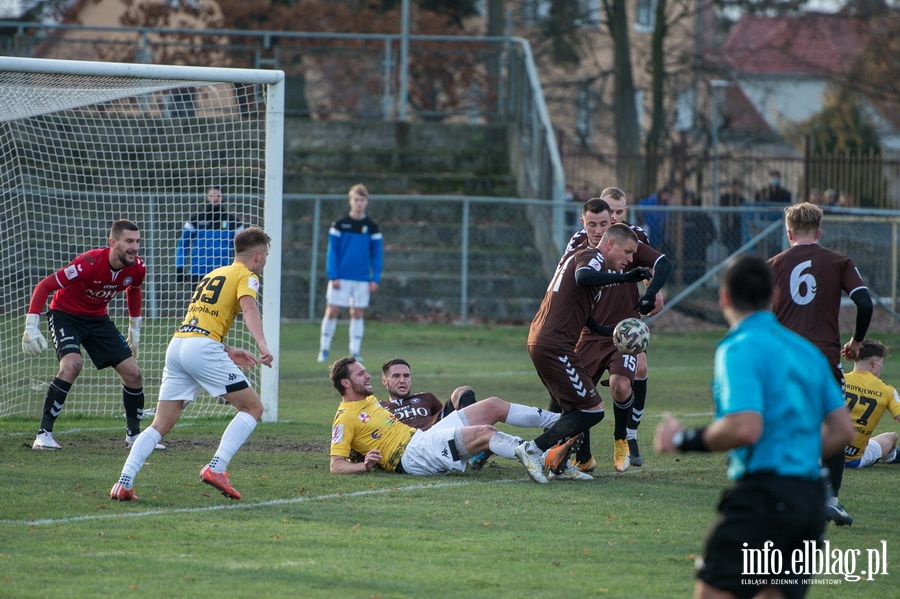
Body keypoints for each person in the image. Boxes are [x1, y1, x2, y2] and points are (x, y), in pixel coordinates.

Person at [655, 253, 853, 599]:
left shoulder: (739, 347)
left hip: (763, 497)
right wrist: (796, 450)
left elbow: (745, 427)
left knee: (712, 593)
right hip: (809, 502)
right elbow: (841, 430)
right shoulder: (807, 351)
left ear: (724, 298)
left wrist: (683, 438)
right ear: (775, 296)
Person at [110, 227, 274, 501]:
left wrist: (227, 349)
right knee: (253, 407)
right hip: (201, 348)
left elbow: (202, 320)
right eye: (266, 256)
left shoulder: (214, 273)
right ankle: (216, 468)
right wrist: (263, 345)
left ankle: (124, 481)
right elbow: (249, 308)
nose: (265, 261)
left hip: (179, 345)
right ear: (257, 255)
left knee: (160, 424)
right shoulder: (247, 276)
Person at [767, 202, 873, 526]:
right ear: (820, 232)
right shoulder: (838, 261)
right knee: (833, 429)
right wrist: (856, 342)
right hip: (823, 359)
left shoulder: (772, 265)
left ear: (788, 233)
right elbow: (864, 301)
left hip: (784, 361)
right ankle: (830, 500)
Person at [520, 223, 651, 481]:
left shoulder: (582, 258)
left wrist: (608, 332)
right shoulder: (593, 257)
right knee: (592, 410)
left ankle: (562, 461)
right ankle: (532, 449)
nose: (629, 259)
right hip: (554, 344)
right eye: (627, 252)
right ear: (610, 244)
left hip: (545, 340)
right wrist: (624, 278)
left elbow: (582, 309)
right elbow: (583, 277)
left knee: (571, 408)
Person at [555, 191, 672, 473]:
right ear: (584, 221)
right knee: (575, 394)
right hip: (590, 329)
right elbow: (567, 279)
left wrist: (652, 292)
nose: (599, 229)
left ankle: (623, 438)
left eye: (611, 218)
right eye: (592, 224)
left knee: (621, 384)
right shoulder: (577, 243)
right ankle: (581, 453)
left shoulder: (631, 236)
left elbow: (659, 265)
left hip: (624, 331)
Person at [23, 219, 157, 451]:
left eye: (137, 241)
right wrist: (31, 325)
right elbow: (44, 286)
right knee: (72, 365)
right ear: (112, 243)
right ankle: (44, 434)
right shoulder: (88, 263)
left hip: (97, 319)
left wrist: (134, 327)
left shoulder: (137, 267)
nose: (134, 247)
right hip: (65, 315)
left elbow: (134, 290)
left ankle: (134, 437)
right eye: (128, 241)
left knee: (133, 374)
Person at [328, 356, 562, 482]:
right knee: (485, 433)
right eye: (361, 373)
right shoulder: (344, 417)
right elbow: (336, 465)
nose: (368, 375)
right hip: (410, 457)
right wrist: (364, 465)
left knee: (493, 404)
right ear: (346, 383)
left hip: (421, 438)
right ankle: (542, 456)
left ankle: (559, 420)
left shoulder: (368, 400)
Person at [317, 183, 383, 364]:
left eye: (362, 200)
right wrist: (334, 275)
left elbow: (377, 254)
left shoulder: (372, 227)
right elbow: (333, 251)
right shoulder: (340, 224)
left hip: (362, 278)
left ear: (366, 202)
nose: (359, 203)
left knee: (358, 313)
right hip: (341, 277)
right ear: (350, 201)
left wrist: (375, 277)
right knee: (332, 311)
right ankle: (324, 349)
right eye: (356, 200)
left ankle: (355, 351)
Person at [842, 339, 900, 468]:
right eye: (881, 363)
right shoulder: (887, 390)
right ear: (874, 363)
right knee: (892, 437)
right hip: (852, 459)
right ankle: (891, 458)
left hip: (822, 454)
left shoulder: (838, 379)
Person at [175, 185, 245, 286]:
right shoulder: (195, 220)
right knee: (198, 302)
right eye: (212, 195)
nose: (215, 198)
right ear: (207, 198)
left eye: (218, 195)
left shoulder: (234, 222)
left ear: (223, 198)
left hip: (223, 272)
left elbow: (241, 249)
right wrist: (180, 268)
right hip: (198, 272)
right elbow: (182, 244)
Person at [637, 187, 672, 253]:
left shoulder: (665, 204)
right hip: (650, 226)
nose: (667, 197)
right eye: (666, 195)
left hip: (659, 228)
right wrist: (643, 222)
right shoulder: (652, 200)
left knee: (658, 245)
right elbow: (640, 208)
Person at [719, 179, 748, 254]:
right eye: (736, 187)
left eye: (739, 187)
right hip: (728, 229)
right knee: (731, 251)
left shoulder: (742, 199)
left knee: (737, 250)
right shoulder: (725, 198)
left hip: (739, 230)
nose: (738, 189)